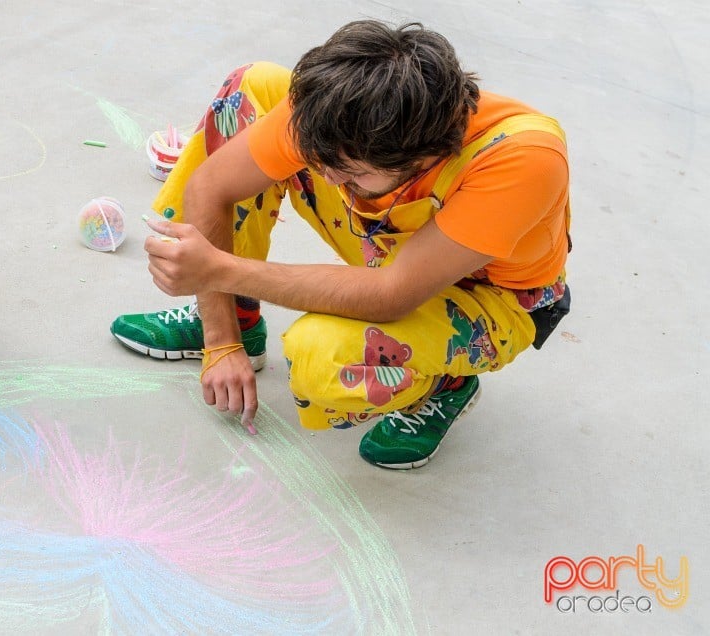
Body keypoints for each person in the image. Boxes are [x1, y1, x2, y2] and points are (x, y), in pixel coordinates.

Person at [111, 20, 572, 469]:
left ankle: (446, 383)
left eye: (349, 174)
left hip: (481, 294)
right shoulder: (338, 109)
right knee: (254, 88)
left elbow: (391, 295)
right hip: (391, 246)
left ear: (422, 155)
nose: (326, 179)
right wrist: (222, 340)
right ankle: (241, 318)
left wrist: (215, 269)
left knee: (322, 357)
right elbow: (209, 186)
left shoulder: (524, 159)